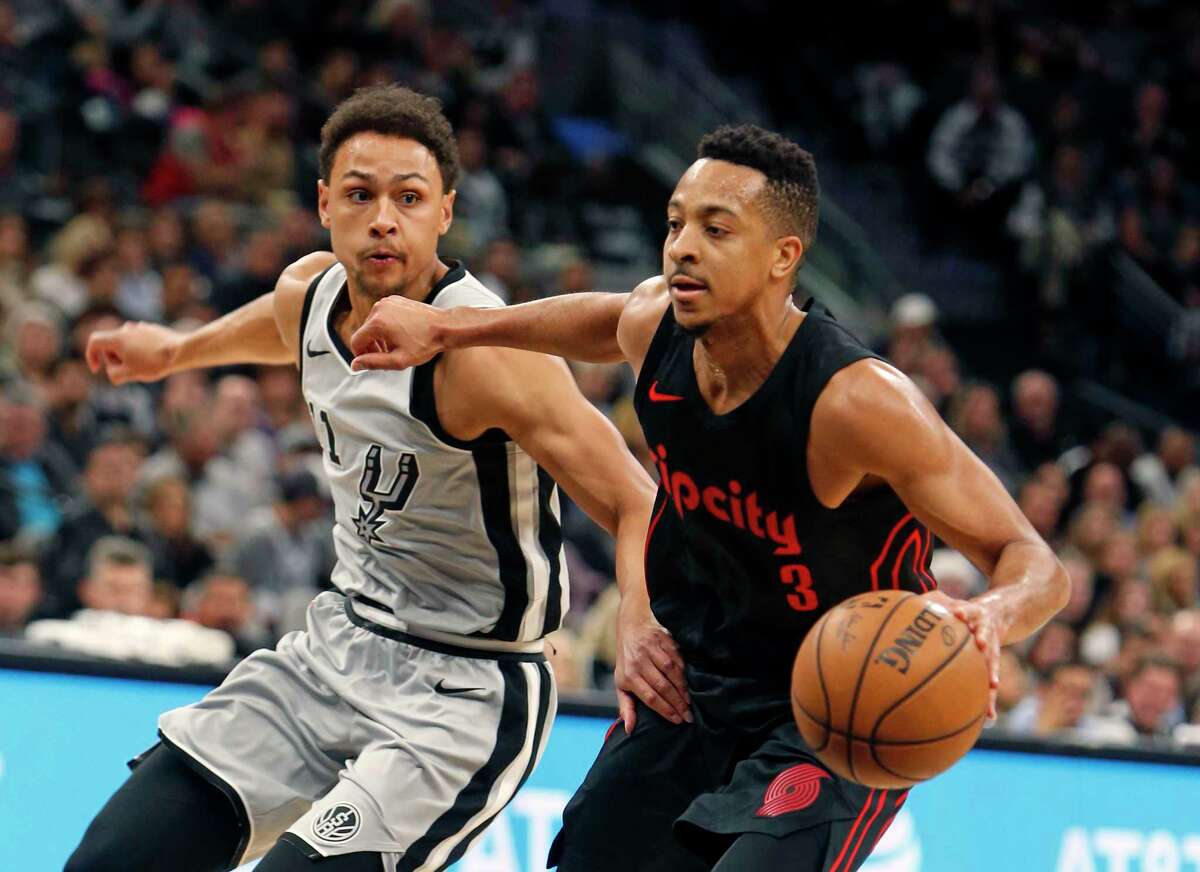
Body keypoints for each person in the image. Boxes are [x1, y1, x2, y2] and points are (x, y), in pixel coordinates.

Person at [350, 124, 1070, 871]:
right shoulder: (658, 328)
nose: (682, 248)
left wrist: (990, 616)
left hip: (833, 705)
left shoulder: (857, 403)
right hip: (692, 680)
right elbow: (605, 321)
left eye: (715, 229)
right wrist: (447, 326)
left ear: (782, 257)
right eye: (675, 224)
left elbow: (1036, 563)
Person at [71, 85, 660, 872]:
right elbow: (278, 325)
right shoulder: (312, 293)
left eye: (408, 198)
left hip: (463, 689)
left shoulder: (488, 358)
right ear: (324, 204)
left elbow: (635, 499)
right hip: (337, 646)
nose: (384, 218)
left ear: (444, 212)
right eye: (360, 195)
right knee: (114, 858)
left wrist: (637, 621)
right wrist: (176, 351)